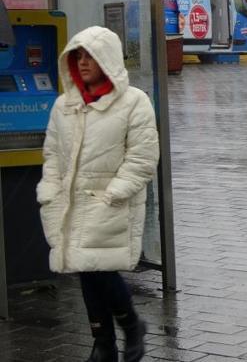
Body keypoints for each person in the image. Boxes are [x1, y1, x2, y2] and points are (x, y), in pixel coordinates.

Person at [37, 26, 160, 362]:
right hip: (72, 204)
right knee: (86, 270)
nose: (83, 62)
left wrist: (114, 193)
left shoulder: (134, 102)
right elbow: (52, 153)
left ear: (107, 58)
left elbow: (142, 157)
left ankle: (130, 325)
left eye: (90, 55)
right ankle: (104, 341)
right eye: (78, 56)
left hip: (110, 203)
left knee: (99, 270)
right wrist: (50, 190)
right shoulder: (65, 105)